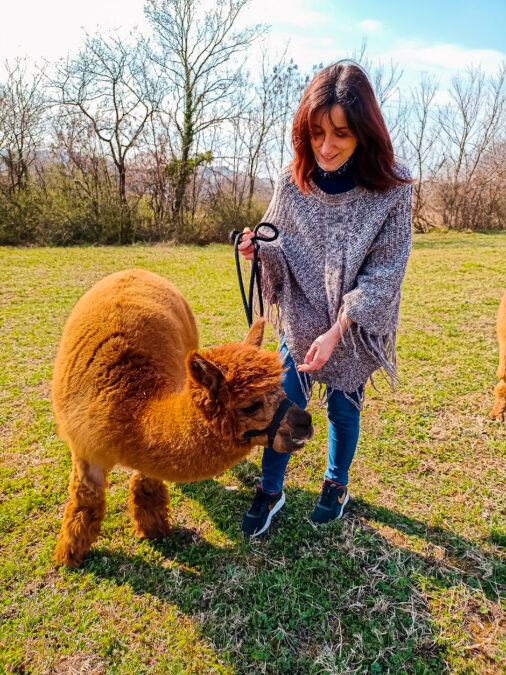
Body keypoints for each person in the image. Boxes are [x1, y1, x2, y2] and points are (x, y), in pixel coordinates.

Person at [237, 60, 413, 537]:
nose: (326, 147)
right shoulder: (293, 180)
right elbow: (280, 243)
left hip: (352, 323)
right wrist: (257, 248)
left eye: (341, 134)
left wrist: (340, 327)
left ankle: (336, 484)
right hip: (300, 314)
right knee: (285, 400)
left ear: (364, 132)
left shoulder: (392, 190)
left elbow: (386, 272)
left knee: (343, 406)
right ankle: (271, 490)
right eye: (316, 133)